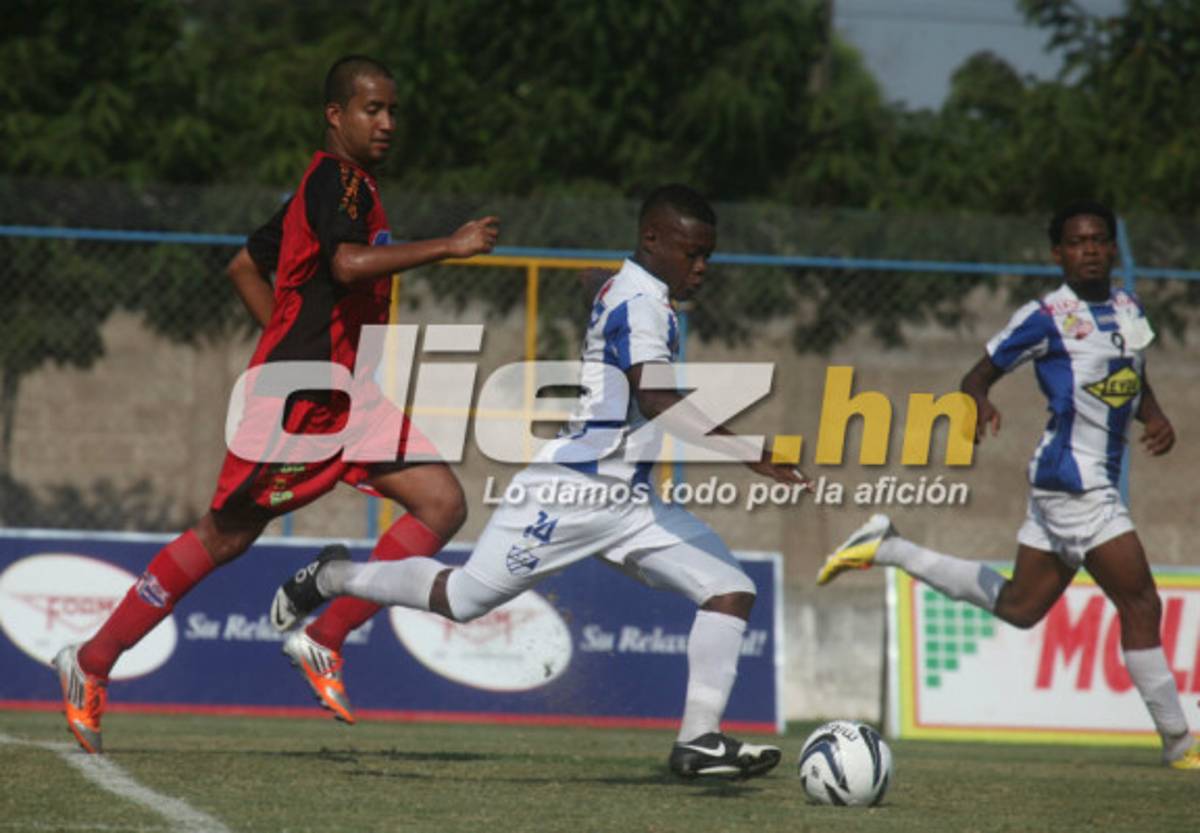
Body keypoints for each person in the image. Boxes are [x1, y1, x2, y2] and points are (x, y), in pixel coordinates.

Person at [271, 184, 811, 780]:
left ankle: (698, 741)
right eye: (692, 253)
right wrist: (747, 452)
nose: (702, 267)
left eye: (708, 254)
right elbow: (655, 395)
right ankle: (332, 574)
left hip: (630, 503)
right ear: (653, 240)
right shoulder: (640, 303)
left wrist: (593, 286)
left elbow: (598, 288)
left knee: (729, 589)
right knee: (463, 599)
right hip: (571, 492)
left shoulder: (636, 290)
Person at [53, 54, 500, 753]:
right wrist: (451, 245)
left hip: (348, 396)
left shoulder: (334, 190)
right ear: (335, 115)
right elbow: (346, 264)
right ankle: (90, 660)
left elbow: (244, 264)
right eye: (370, 109)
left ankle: (323, 636)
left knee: (442, 503)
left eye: (392, 111)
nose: (386, 122)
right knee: (225, 535)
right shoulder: (336, 181)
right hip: (297, 408)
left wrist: (296, 339)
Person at [817, 201, 1199, 770]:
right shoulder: (1045, 315)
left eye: (1098, 239)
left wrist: (1156, 416)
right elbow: (977, 375)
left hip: (1070, 481)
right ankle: (1181, 743)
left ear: (1112, 248)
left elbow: (1130, 378)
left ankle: (888, 546)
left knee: (1021, 607)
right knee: (1140, 600)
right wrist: (978, 401)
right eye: (1076, 241)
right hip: (1075, 483)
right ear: (1057, 254)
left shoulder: (1128, 308)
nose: (1089, 249)